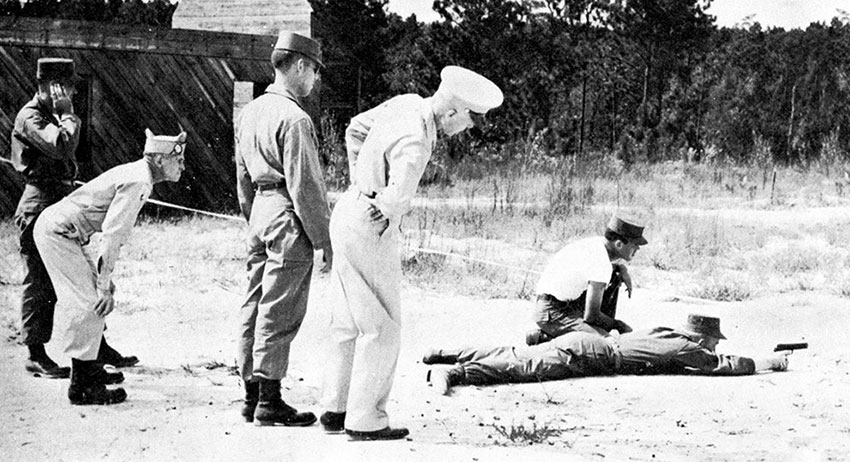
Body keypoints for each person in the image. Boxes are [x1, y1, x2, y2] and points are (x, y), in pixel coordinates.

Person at [319, 66, 504, 441]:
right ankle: (366, 418)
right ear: (451, 111)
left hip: (347, 212)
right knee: (382, 327)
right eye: (469, 119)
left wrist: (361, 181)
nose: (467, 128)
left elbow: (355, 128)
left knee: (346, 321)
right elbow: (400, 197)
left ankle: (335, 408)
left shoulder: (406, 103)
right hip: (370, 227)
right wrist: (382, 202)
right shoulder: (418, 139)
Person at [33, 128, 187, 405]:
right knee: (90, 302)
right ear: (161, 160)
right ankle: (82, 387)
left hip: (64, 232)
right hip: (57, 232)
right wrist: (104, 284)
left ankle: (91, 367)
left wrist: (104, 279)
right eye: (179, 160)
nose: (183, 166)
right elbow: (113, 234)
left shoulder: (139, 174)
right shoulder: (139, 180)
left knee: (93, 297)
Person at [10, 57, 135, 380]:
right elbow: (61, 146)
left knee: (82, 279)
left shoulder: (52, 114)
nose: (69, 93)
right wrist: (67, 114)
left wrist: (64, 114)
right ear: (49, 87)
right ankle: (35, 353)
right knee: (40, 281)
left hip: (60, 202)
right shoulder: (31, 116)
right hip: (39, 205)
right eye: (64, 87)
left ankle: (97, 345)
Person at [234, 31, 332, 427]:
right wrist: (324, 241)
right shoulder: (295, 118)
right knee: (279, 308)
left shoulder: (251, 112)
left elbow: (241, 173)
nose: (315, 82)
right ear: (299, 66)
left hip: (260, 208)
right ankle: (269, 402)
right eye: (314, 72)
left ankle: (251, 394)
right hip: (286, 213)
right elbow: (306, 185)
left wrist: (252, 213)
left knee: (253, 302)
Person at [425, 314, 791, 395]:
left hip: (593, 344)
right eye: (713, 340)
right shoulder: (689, 347)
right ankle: (455, 374)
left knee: (517, 352)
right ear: (701, 338)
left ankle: (444, 353)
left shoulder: (666, 331)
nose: (715, 346)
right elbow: (721, 366)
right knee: (524, 366)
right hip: (592, 354)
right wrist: (768, 362)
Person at [525, 215, 648, 345]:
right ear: (618, 244)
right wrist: (618, 325)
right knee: (607, 345)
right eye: (635, 244)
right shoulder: (601, 262)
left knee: (614, 276)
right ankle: (545, 339)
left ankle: (581, 334)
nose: (638, 249)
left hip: (558, 305)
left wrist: (622, 269)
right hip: (552, 313)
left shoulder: (599, 244)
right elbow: (591, 316)